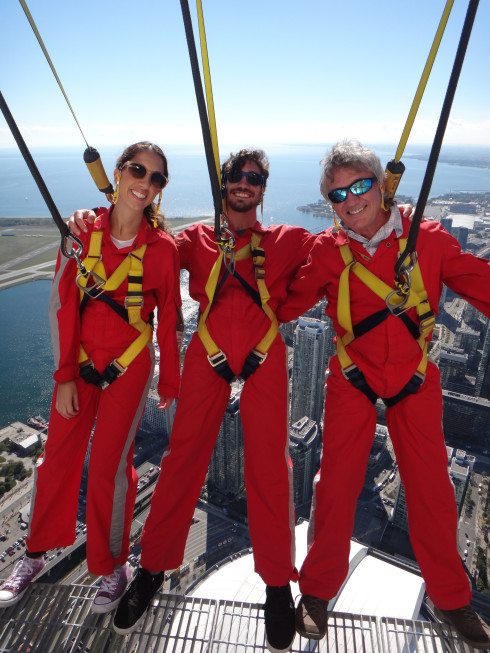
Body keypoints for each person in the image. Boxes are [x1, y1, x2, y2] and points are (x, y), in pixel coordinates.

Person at [68, 149, 315, 652]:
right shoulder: (194, 239)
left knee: (270, 466)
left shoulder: (289, 240)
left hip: (265, 353)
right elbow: (140, 244)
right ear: (223, 185)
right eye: (237, 177)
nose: (245, 184)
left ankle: (275, 584)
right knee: (181, 461)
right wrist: (92, 220)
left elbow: (340, 254)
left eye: (255, 178)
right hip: (208, 351)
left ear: (263, 189)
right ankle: (154, 568)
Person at [276, 139, 490, 649]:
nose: (350, 200)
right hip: (352, 377)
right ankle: (317, 592)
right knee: (335, 487)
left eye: (360, 185)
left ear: (383, 185)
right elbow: (286, 305)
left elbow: (479, 283)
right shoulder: (326, 251)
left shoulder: (428, 240)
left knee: (433, 489)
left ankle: (451, 599)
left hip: (414, 380)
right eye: (337, 194)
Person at [0, 142, 182, 614]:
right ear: (117, 174)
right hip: (77, 367)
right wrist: (63, 376)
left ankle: (112, 565)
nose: (146, 182)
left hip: (131, 364)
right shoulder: (80, 233)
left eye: (157, 178)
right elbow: (62, 306)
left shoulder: (163, 249)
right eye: (138, 171)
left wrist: (170, 381)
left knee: (109, 468)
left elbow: (170, 320)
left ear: (160, 190)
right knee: (56, 459)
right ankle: (35, 556)